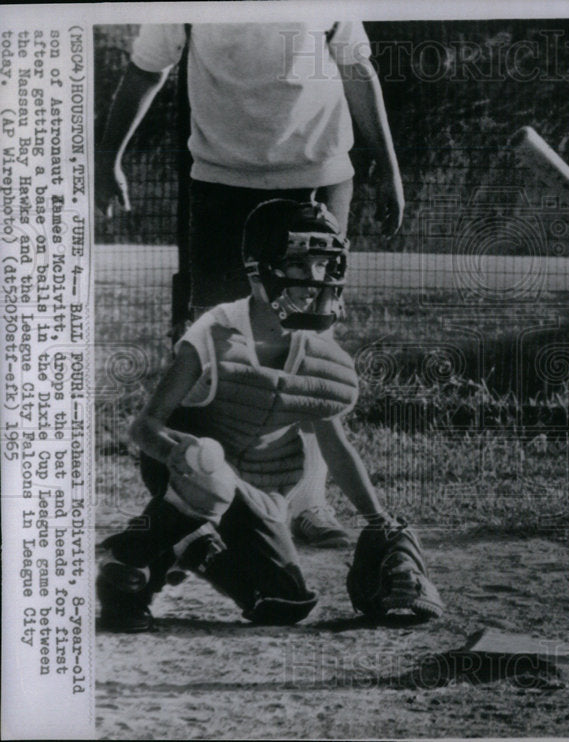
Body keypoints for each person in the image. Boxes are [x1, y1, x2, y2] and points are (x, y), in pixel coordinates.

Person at [95, 21, 405, 546]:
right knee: (223, 352)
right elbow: (148, 66)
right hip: (221, 180)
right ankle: (218, 501)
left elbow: (355, 67)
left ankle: (309, 504)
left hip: (316, 174)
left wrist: (390, 168)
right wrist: (108, 156)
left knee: (309, 350)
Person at [96, 199, 444, 633]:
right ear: (259, 271)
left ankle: (197, 545)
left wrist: (378, 520)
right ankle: (129, 568)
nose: (314, 280)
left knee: (285, 603)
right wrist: (177, 455)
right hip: (185, 469)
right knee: (211, 473)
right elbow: (144, 428)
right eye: (299, 266)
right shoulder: (215, 332)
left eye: (324, 265)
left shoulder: (316, 353)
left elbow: (336, 448)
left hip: (253, 491)